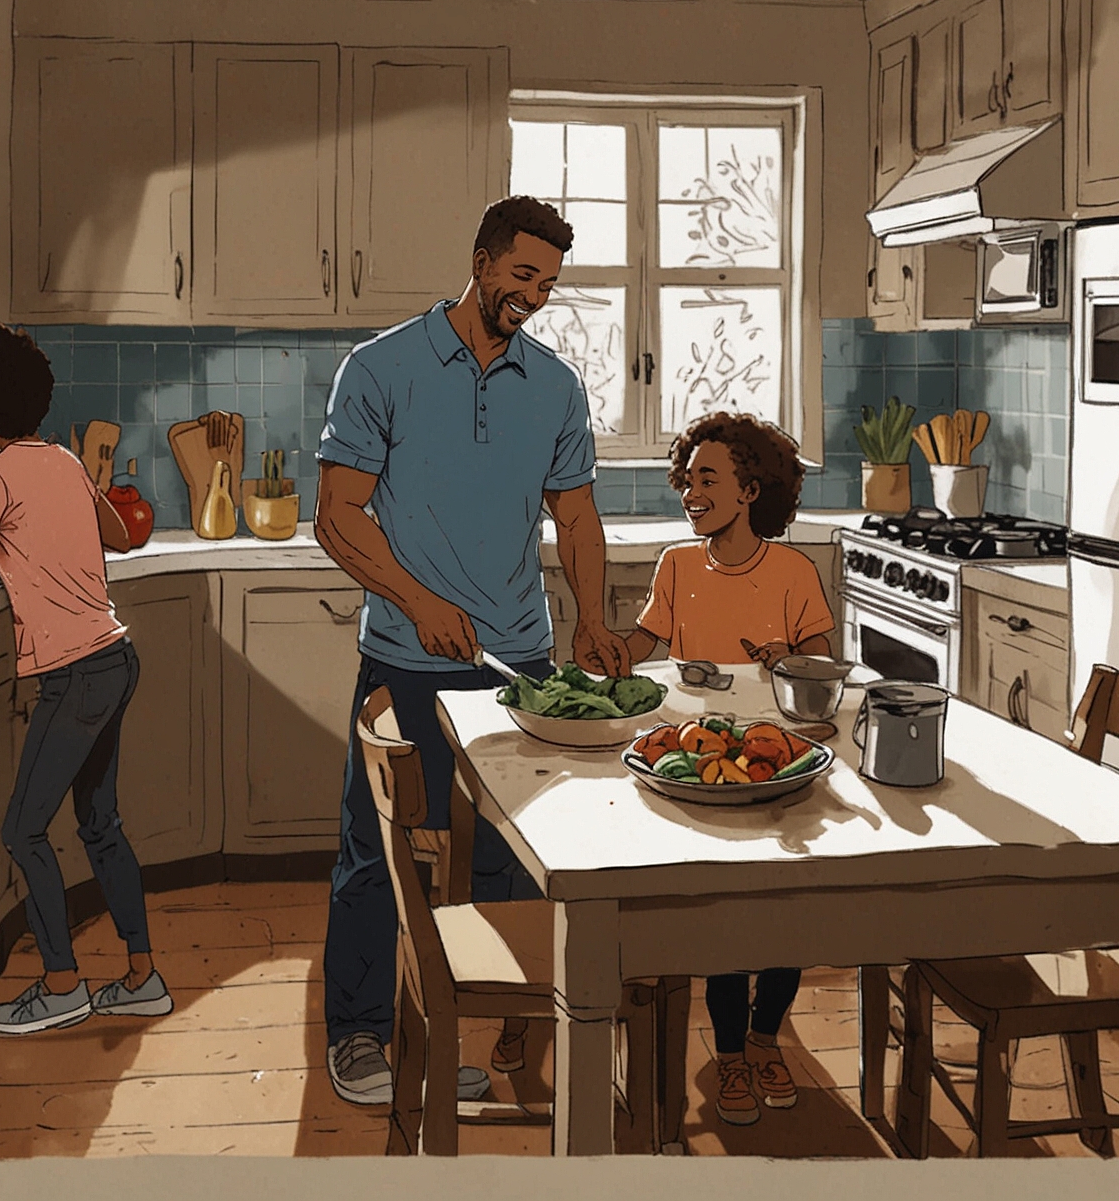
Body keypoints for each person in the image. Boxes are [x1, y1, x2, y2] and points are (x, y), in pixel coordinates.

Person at [315, 195, 632, 1106]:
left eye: (549, 283)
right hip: (407, 662)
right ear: (483, 259)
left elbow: (575, 512)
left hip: (520, 665)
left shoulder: (556, 386)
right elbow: (337, 515)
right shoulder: (382, 367)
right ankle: (362, 1038)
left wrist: (590, 617)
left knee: (512, 854)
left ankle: (512, 1031)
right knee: (378, 854)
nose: (533, 295)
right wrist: (418, 602)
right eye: (522, 275)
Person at [0, 320, 172, 1036]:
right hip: (115, 659)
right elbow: (117, 535)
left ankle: (60, 985)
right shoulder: (59, 460)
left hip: (74, 675)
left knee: (24, 832)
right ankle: (142, 976)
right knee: (100, 826)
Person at [622, 410, 835, 1126]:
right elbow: (643, 642)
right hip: (694, 770)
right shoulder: (677, 566)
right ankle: (730, 1054)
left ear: (750, 490)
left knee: (786, 914)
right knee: (721, 920)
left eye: (706, 479)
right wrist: (604, 655)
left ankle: (764, 1037)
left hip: (777, 768)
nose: (690, 492)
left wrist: (787, 663)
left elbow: (821, 672)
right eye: (687, 479)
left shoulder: (793, 571)